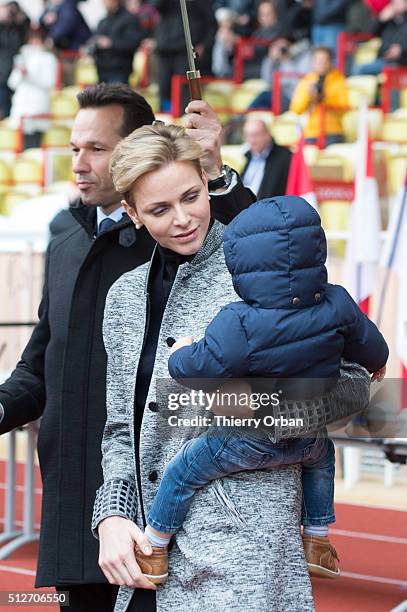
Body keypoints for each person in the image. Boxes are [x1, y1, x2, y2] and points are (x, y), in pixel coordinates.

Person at [92, 123, 371, 612]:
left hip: (247, 557)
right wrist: (111, 516)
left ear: (206, 180)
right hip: (145, 557)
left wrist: (254, 405)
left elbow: (352, 386)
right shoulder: (124, 297)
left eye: (191, 196)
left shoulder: (269, 270)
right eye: (159, 209)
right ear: (131, 213)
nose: (183, 219)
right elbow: (121, 426)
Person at [0, 83, 254, 612]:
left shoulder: (185, 238)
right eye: (74, 149)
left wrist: (216, 173)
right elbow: (44, 361)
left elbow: (256, 250)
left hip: (187, 516)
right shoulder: (66, 243)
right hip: (83, 508)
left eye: (97, 149)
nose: (81, 164)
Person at [138, 196, 388, 584]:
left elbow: (199, 369)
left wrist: (179, 352)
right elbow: (373, 346)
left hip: (249, 438)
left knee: (184, 470)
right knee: (322, 461)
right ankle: (318, 540)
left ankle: (155, 545)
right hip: (307, 436)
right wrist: (376, 363)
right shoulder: (338, 302)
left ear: (241, 263)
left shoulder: (238, 320)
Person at [8, 27, 58, 149]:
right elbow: (12, 83)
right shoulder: (22, 57)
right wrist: (20, 73)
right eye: (31, 40)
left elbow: (49, 82)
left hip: (37, 106)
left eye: (37, 40)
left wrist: (29, 75)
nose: (34, 43)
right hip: (21, 106)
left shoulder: (49, 59)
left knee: (35, 143)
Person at [290, 46, 349, 145]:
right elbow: (296, 109)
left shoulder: (339, 80)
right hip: (311, 133)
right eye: (317, 61)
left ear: (330, 62)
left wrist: (324, 98)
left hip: (333, 132)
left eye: (324, 60)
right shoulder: (306, 81)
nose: (321, 64)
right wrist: (309, 96)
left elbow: (344, 107)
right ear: (312, 62)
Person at [92, 0, 143, 84]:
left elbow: (133, 43)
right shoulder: (103, 21)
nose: (104, 3)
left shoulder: (129, 19)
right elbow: (96, 39)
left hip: (120, 70)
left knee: (117, 96)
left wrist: (111, 43)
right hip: (102, 70)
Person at [352, 0, 407, 75]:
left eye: (400, 2)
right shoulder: (388, 20)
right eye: (393, 2)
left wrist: (402, 50)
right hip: (384, 60)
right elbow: (369, 34)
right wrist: (380, 19)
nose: (396, 5)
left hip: (402, 62)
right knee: (357, 69)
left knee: (360, 69)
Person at [241, 118, 292, 197]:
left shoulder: (285, 157)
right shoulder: (248, 156)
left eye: (256, 135)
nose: (251, 140)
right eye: (248, 136)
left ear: (268, 135)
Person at [0, 1, 29, 119]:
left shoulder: (17, 28)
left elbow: (27, 24)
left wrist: (19, 13)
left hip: (14, 71)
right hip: (2, 72)